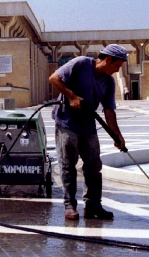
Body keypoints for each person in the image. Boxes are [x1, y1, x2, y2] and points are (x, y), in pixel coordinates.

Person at [49, 44, 127, 221]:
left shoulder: (108, 81)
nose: (117, 70)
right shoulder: (81, 63)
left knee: (94, 166)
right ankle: (70, 206)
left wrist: (117, 136)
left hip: (88, 126)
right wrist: (72, 97)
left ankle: (93, 205)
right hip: (67, 123)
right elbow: (54, 78)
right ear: (108, 60)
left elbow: (109, 110)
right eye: (117, 66)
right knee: (68, 166)